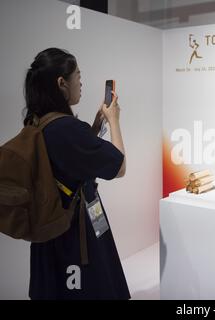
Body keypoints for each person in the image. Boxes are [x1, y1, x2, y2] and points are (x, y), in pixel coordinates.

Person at [23, 48, 130, 300]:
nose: (81, 82)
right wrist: (113, 120)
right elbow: (120, 167)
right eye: (77, 76)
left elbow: (68, 161)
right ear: (62, 83)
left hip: (48, 228)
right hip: (74, 232)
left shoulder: (38, 121)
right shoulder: (68, 128)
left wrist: (92, 128)